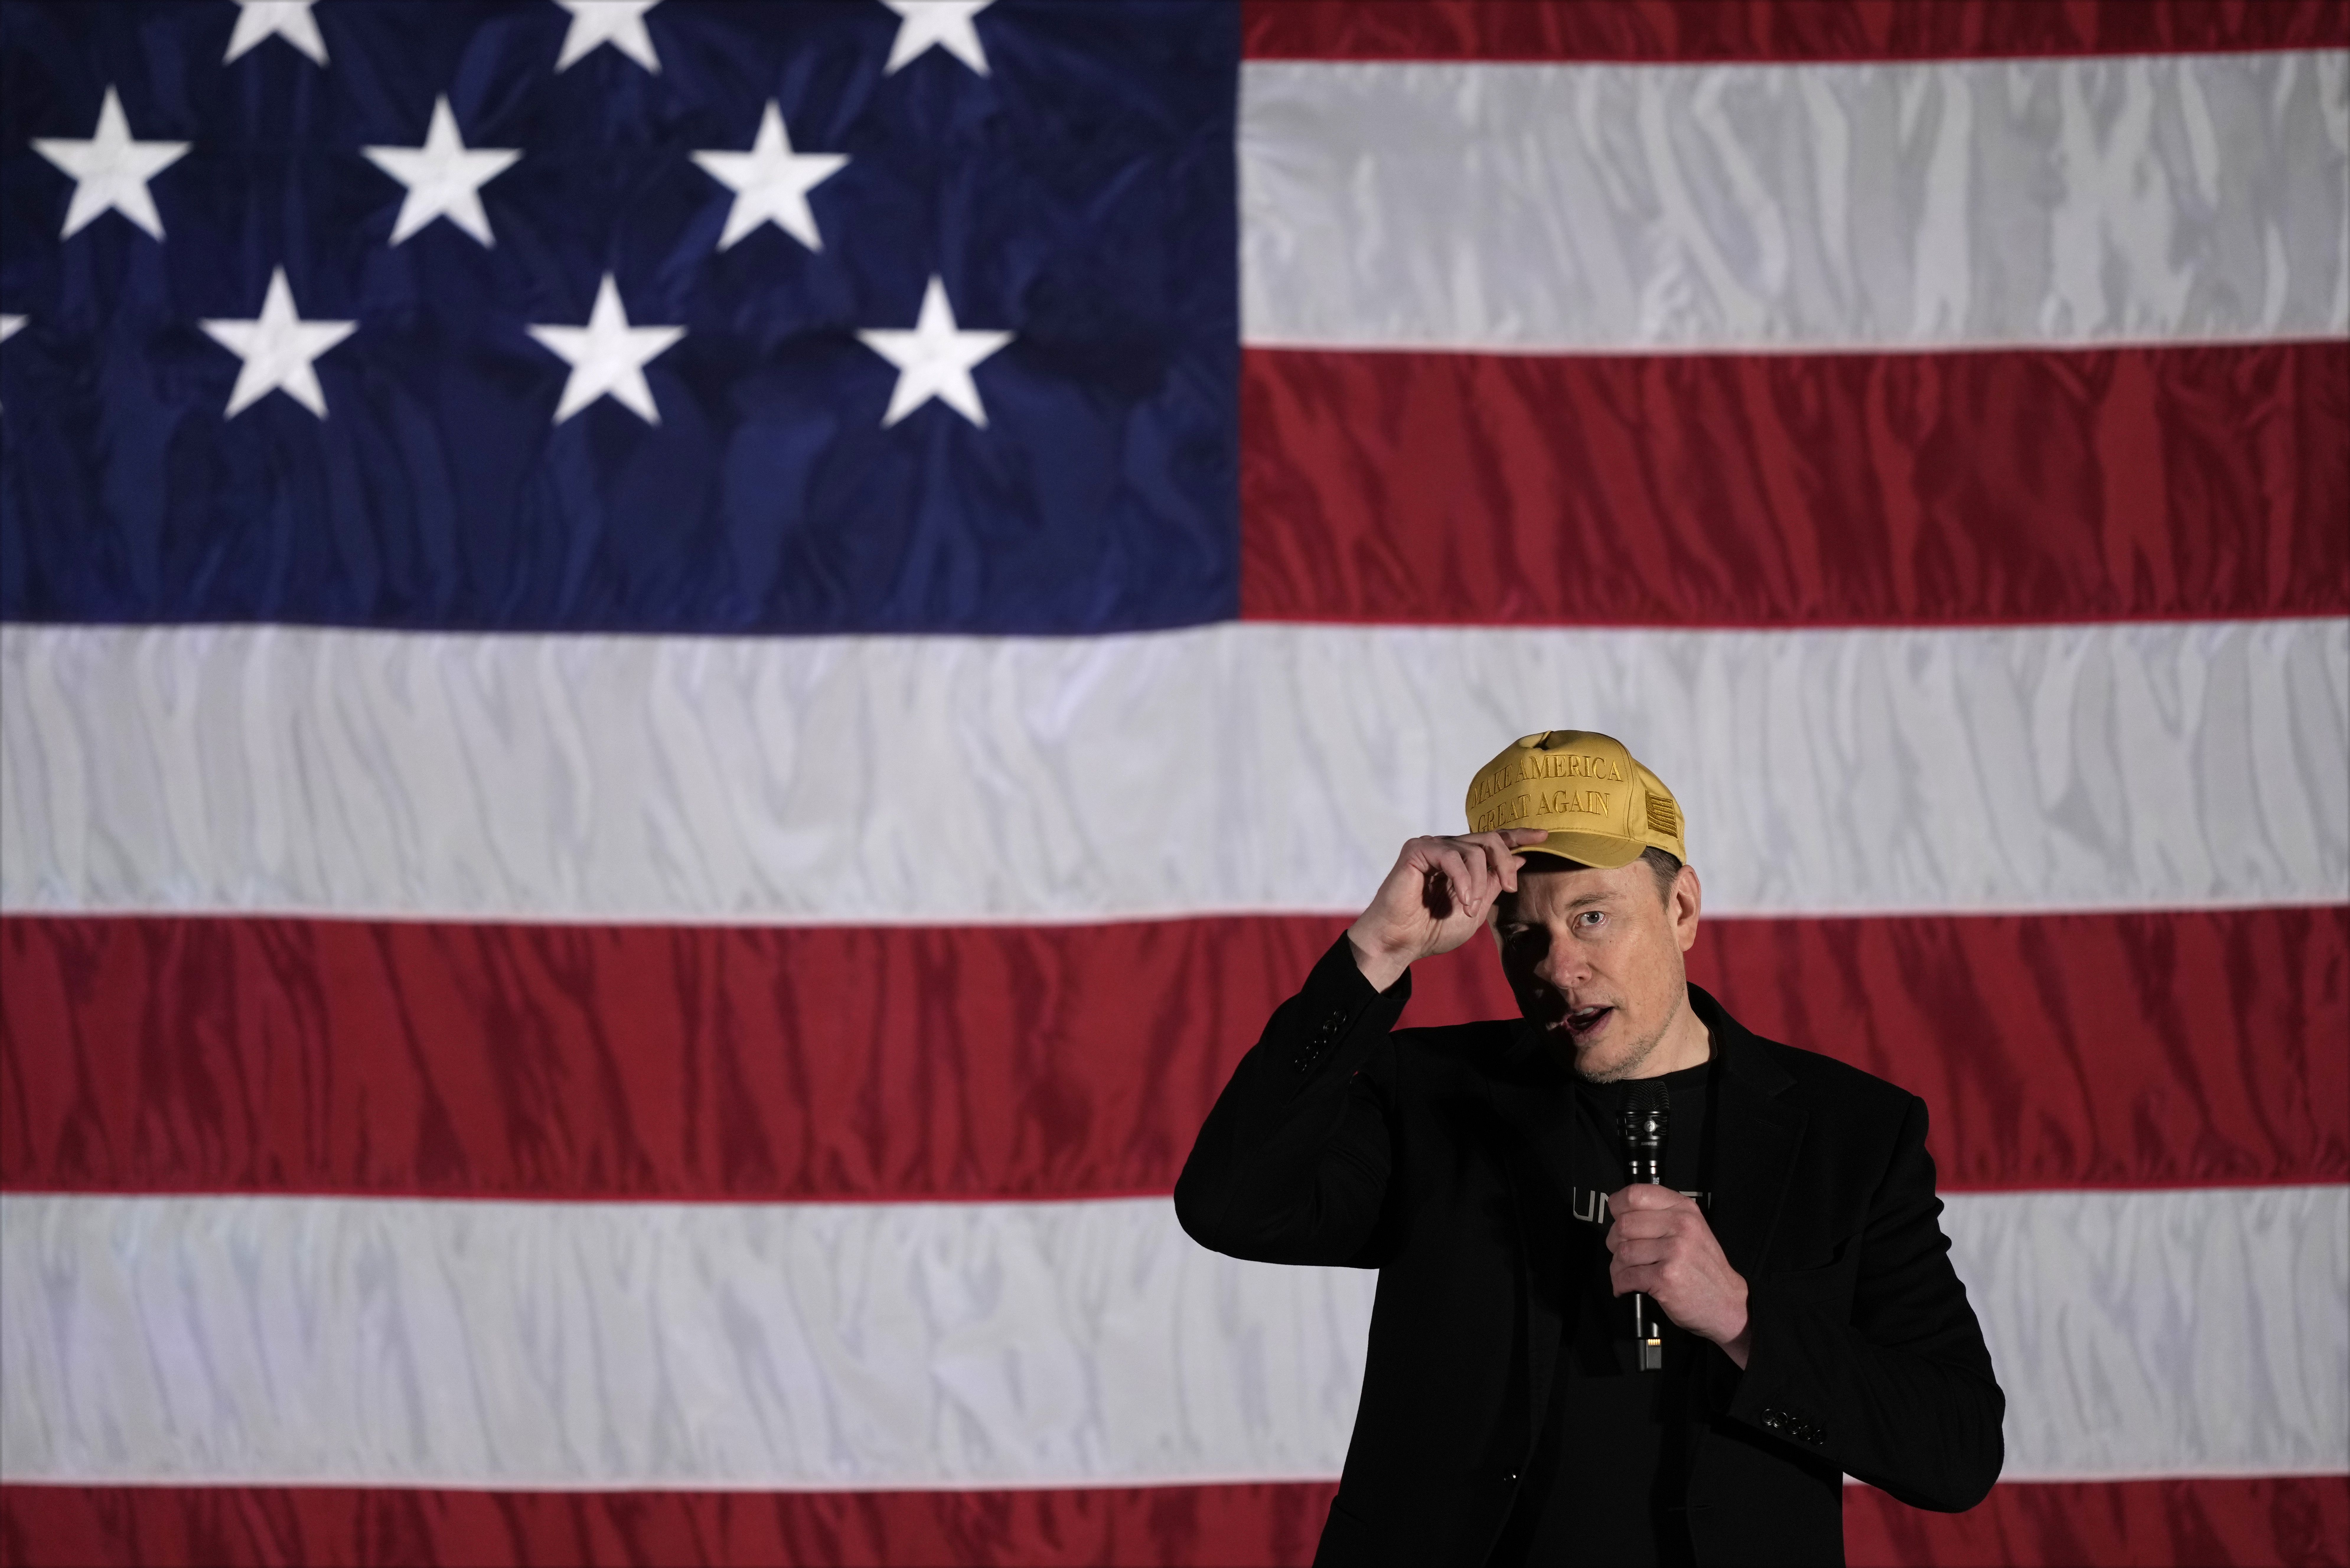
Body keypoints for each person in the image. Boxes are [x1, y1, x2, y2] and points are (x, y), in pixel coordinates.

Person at [1175, 730, 2003, 1567]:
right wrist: (1374, 957)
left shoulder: (1851, 1133)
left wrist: (1744, 1322)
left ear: (1680, 910)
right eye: (1521, 932)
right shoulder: (1426, 1095)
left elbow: (1957, 1450)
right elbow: (1230, 1207)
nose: (1558, 967)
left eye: (1593, 917)